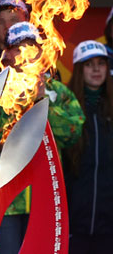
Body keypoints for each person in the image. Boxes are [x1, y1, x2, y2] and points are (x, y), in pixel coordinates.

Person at [0, 22, 85, 254]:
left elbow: (73, 131)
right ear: (7, 54)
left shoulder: (57, 91)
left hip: (46, 195)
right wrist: (22, 105)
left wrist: (40, 103)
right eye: (18, 48)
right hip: (7, 199)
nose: (25, 54)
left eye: (31, 47)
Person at [64, 40, 113, 254]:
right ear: (78, 69)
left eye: (101, 63)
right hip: (74, 228)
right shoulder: (64, 111)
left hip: (109, 229)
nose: (96, 69)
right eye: (88, 64)